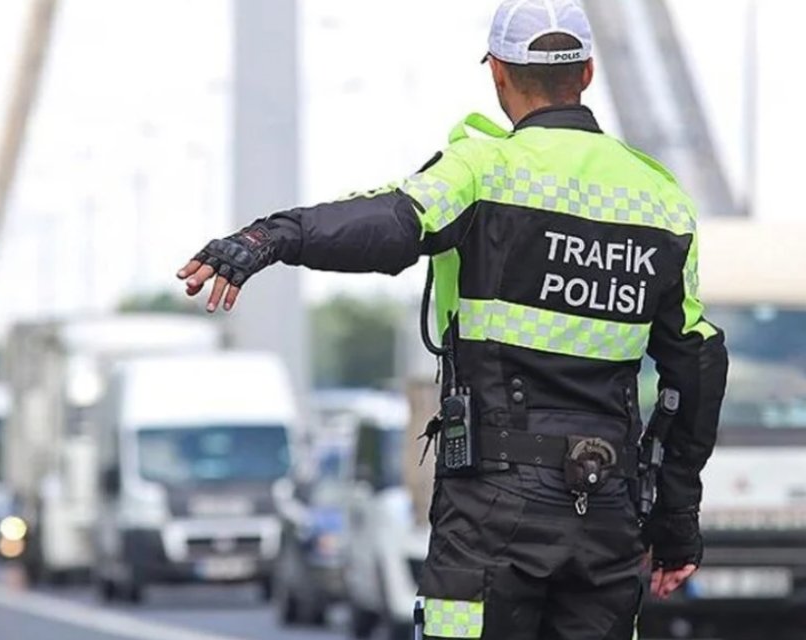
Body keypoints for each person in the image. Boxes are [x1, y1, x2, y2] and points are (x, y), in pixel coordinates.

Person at [176, 1, 728, 638]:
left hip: (492, 512)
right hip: (606, 510)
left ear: (498, 73)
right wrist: (675, 521)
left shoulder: (481, 170)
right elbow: (698, 366)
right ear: (588, 72)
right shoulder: (661, 200)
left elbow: (385, 224)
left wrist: (268, 238)